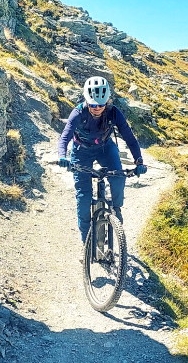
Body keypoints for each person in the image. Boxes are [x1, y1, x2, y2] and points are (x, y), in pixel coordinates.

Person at [58, 76, 147, 244]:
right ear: (86, 100)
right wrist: (62, 156)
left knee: (119, 177)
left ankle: (116, 209)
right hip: (81, 152)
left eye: (101, 104)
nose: (97, 108)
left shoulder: (113, 112)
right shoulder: (78, 113)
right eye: (92, 104)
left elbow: (130, 138)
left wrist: (139, 161)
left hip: (106, 148)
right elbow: (65, 137)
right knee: (83, 200)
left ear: (107, 101)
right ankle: (86, 244)